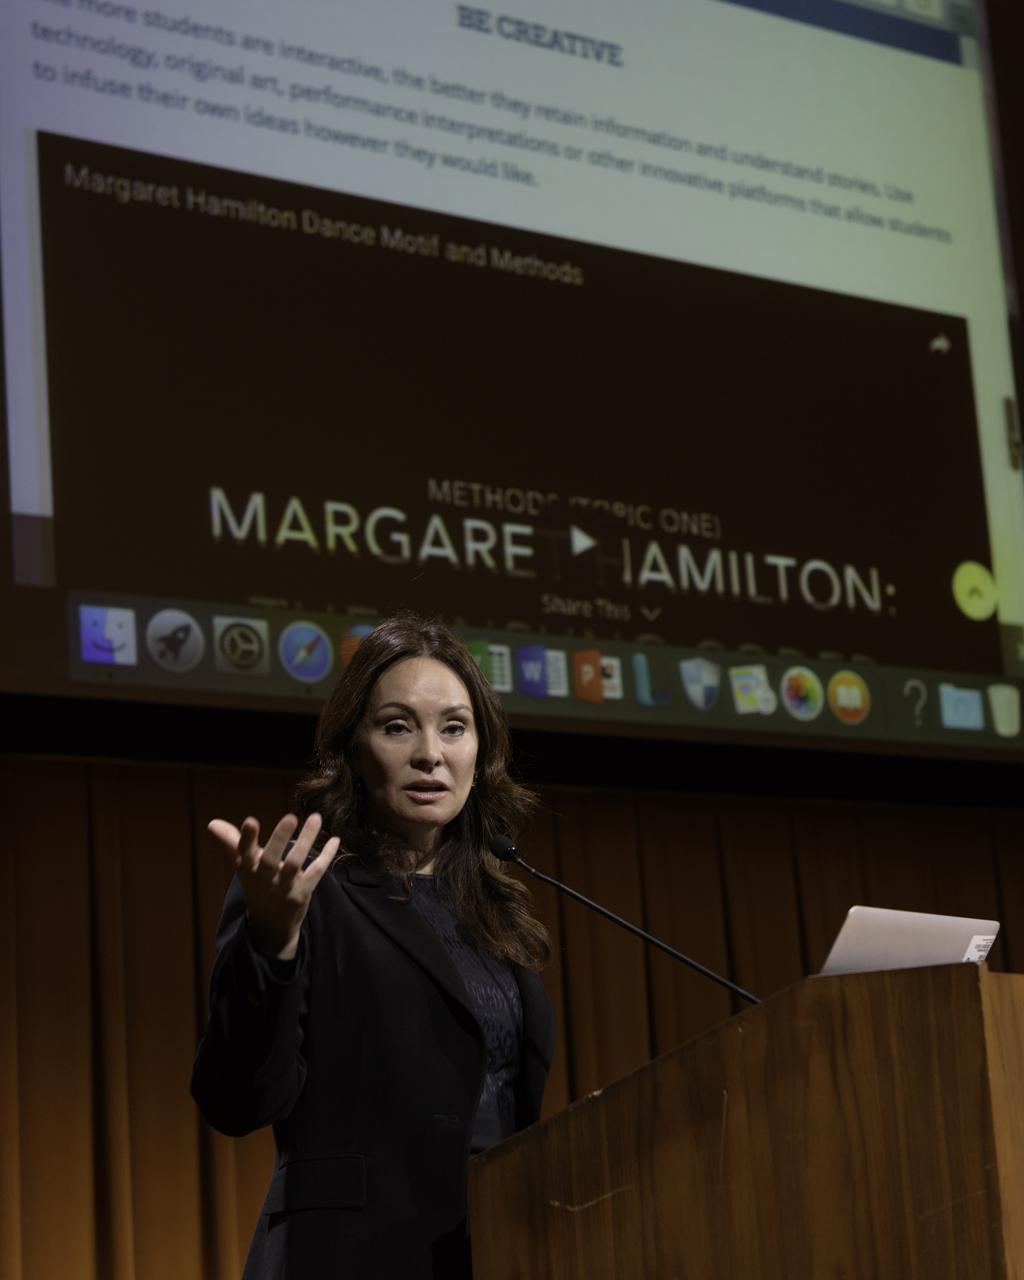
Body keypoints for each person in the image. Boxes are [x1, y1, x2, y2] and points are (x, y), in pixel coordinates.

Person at [191, 614, 553, 1280]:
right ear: (354, 751)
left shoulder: (498, 910)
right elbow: (236, 1100)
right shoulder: (305, 892)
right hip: (350, 1258)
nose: (429, 754)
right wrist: (271, 945)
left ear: (481, 751)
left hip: (498, 1250)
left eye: (454, 727)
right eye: (396, 726)